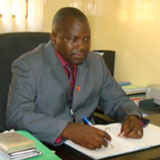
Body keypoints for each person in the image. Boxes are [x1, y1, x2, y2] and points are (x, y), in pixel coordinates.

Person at [6, 7, 144, 150]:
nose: (82, 47)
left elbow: (117, 100)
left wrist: (131, 116)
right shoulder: (28, 65)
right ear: (54, 38)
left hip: (89, 146)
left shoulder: (96, 63)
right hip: (45, 146)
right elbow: (17, 115)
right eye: (74, 39)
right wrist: (68, 130)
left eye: (86, 39)